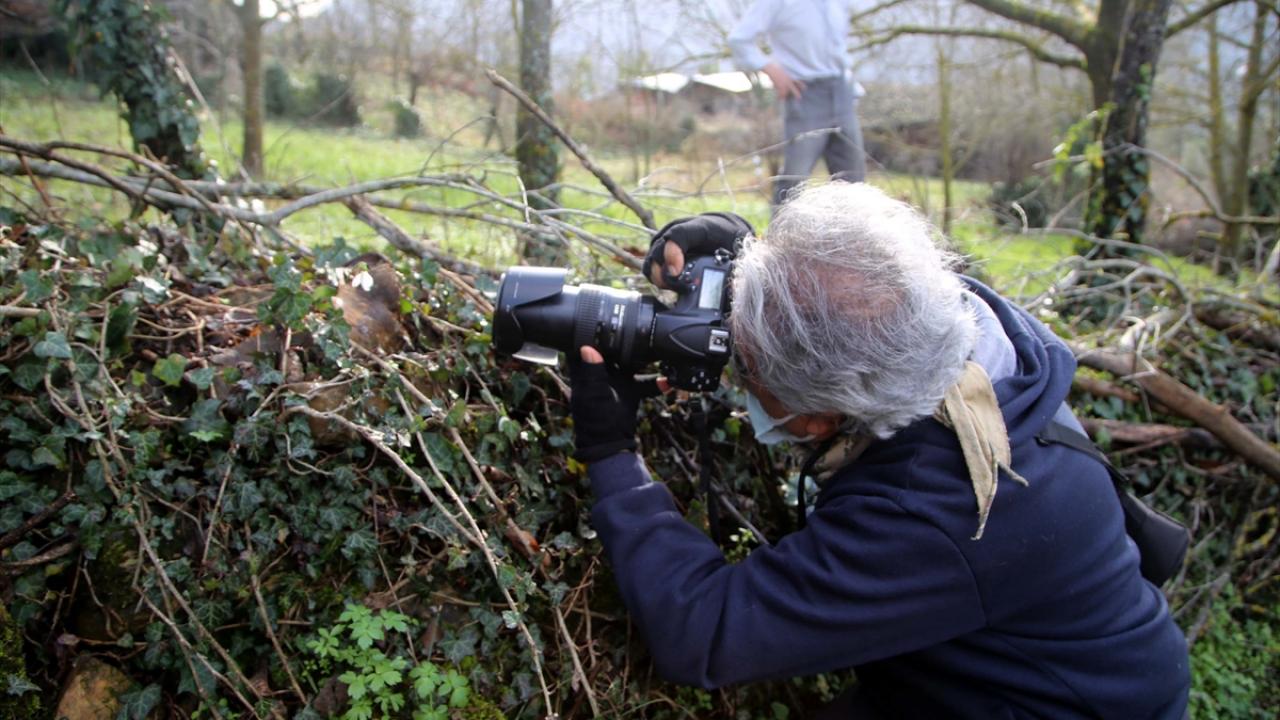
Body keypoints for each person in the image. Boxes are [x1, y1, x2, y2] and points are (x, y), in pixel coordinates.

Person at [567, 182, 1190, 718]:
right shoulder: (955, 323)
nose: (738, 368)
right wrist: (756, 264)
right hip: (1015, 659)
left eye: (748, 368)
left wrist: (613, 454)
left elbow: (702, 631)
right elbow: (849, 294)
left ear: (821, 417)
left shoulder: (933, 509)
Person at [728, 0, 867, 209]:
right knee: (794, 182)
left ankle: (857, 240)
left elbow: (836, 47)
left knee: (854, 182)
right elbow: (739, 40)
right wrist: (772, 70)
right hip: (805, 92)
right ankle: (777, 239)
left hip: (842, 90)